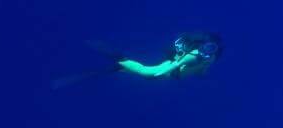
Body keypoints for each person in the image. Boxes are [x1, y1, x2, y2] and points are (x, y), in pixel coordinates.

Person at [52, 32, 222, 89]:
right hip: (172, 70)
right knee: (147, 74)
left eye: (212, 49)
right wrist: (157, 74)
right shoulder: (194, 55)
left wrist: (202, 73)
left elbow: (202, 70)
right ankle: (118, 59)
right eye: (208, 46)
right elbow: (178, 64)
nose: (208, 50)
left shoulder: (210, 58)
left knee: (148, 76)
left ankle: (121, 67)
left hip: (175, 74)